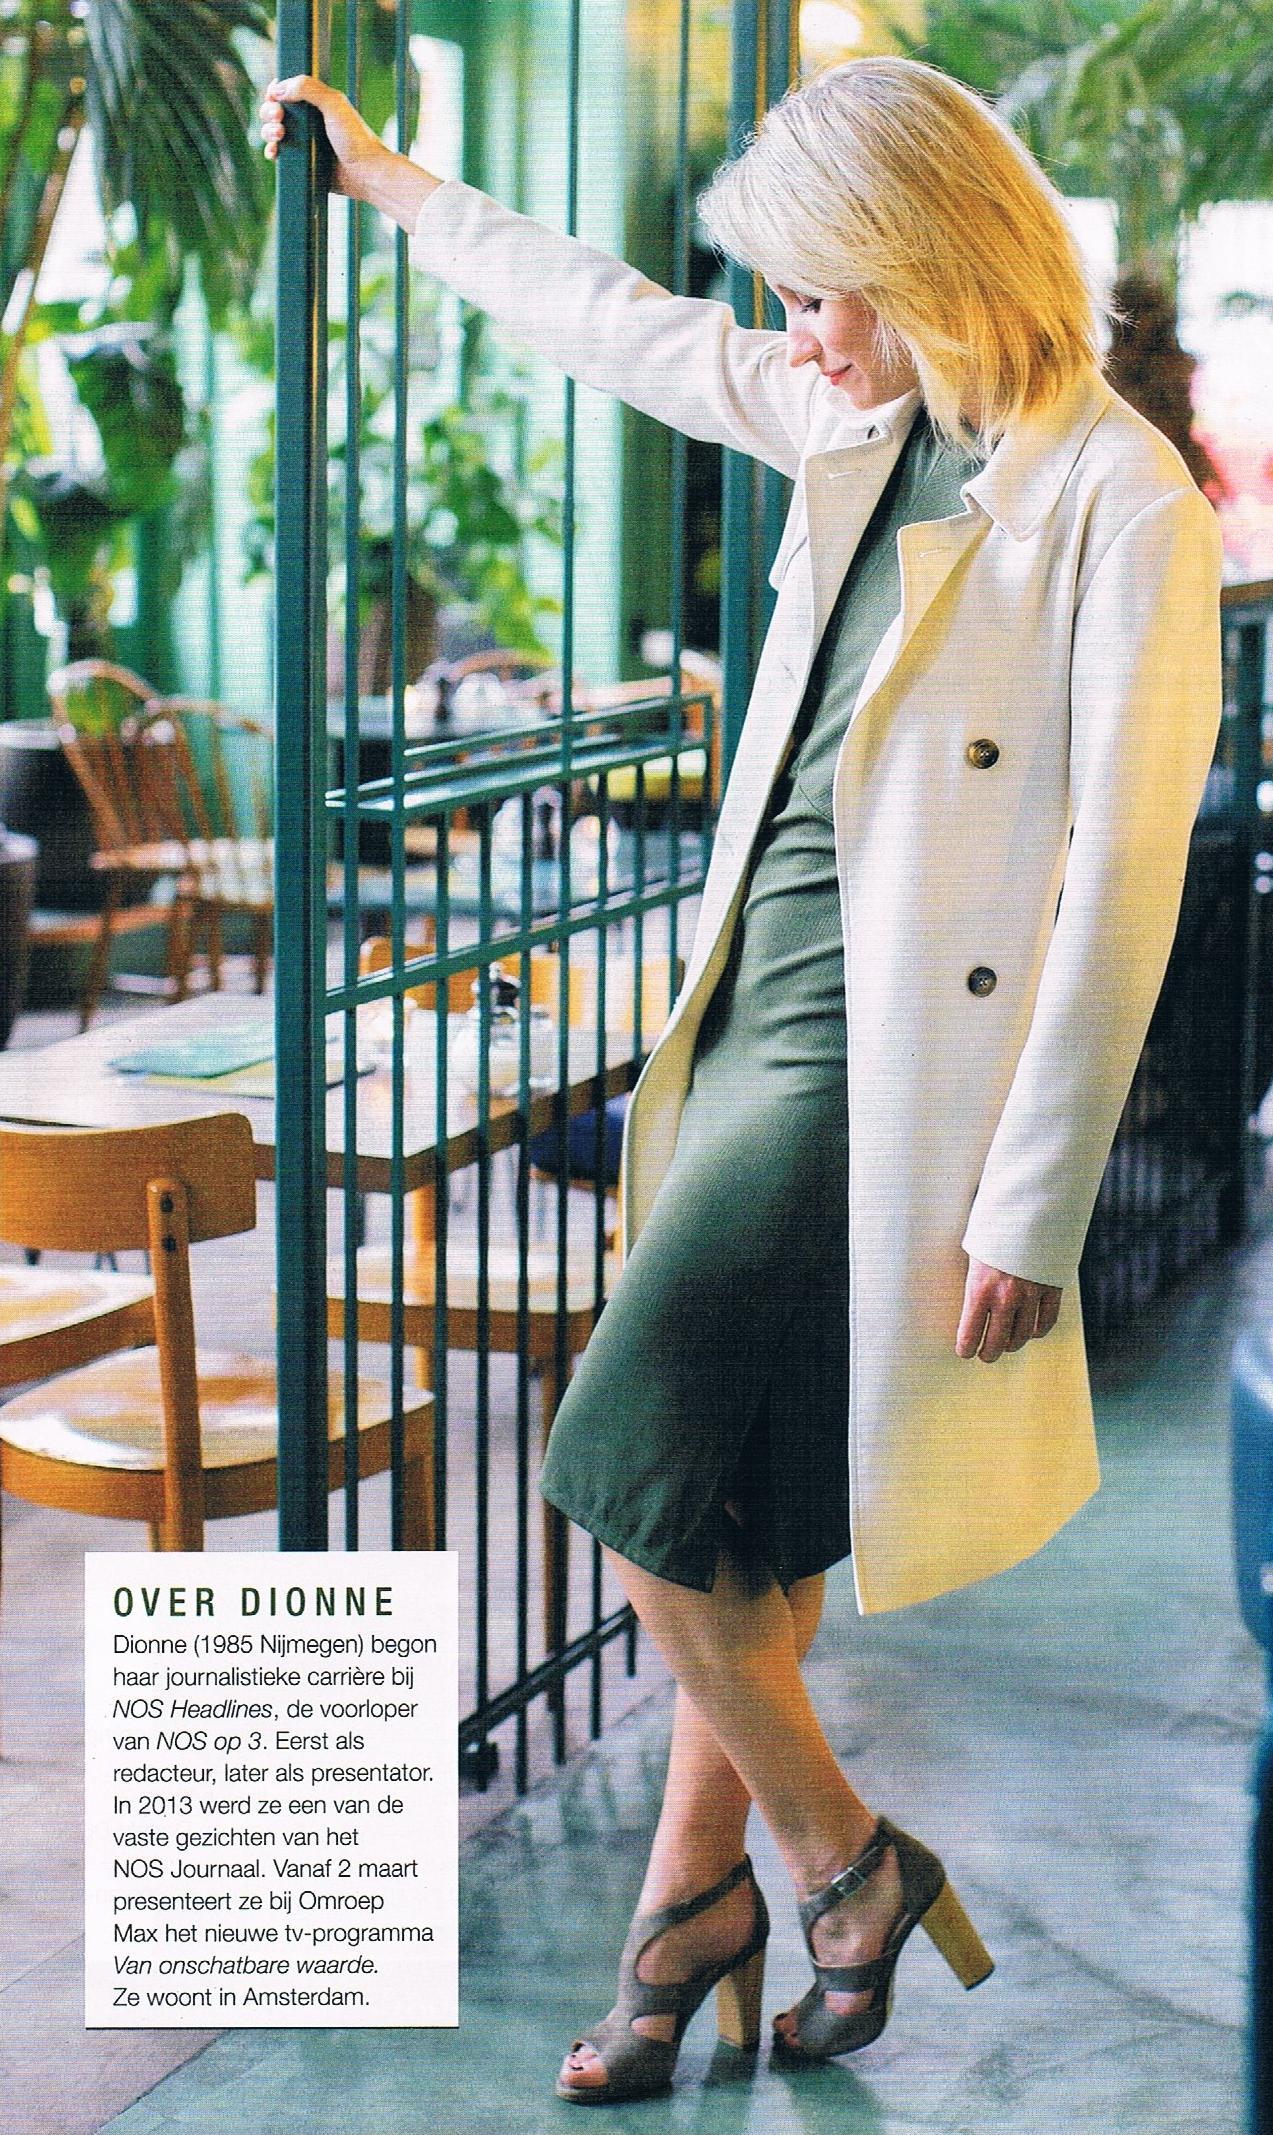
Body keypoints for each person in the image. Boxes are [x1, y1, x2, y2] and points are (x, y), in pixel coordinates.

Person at [262, 54, 1224, 2107]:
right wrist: (401, 190)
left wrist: (1032, 1202)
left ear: (924, 257)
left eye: (819, 291)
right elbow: (616, 325)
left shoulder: (1121, 499)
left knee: (618, 1471)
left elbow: (1123, 881)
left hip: (884, 1070)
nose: (798, 335)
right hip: (747, 1015)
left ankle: (845, 1865)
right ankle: (688, 1919)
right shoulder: (861, 420)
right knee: (741, 1529)